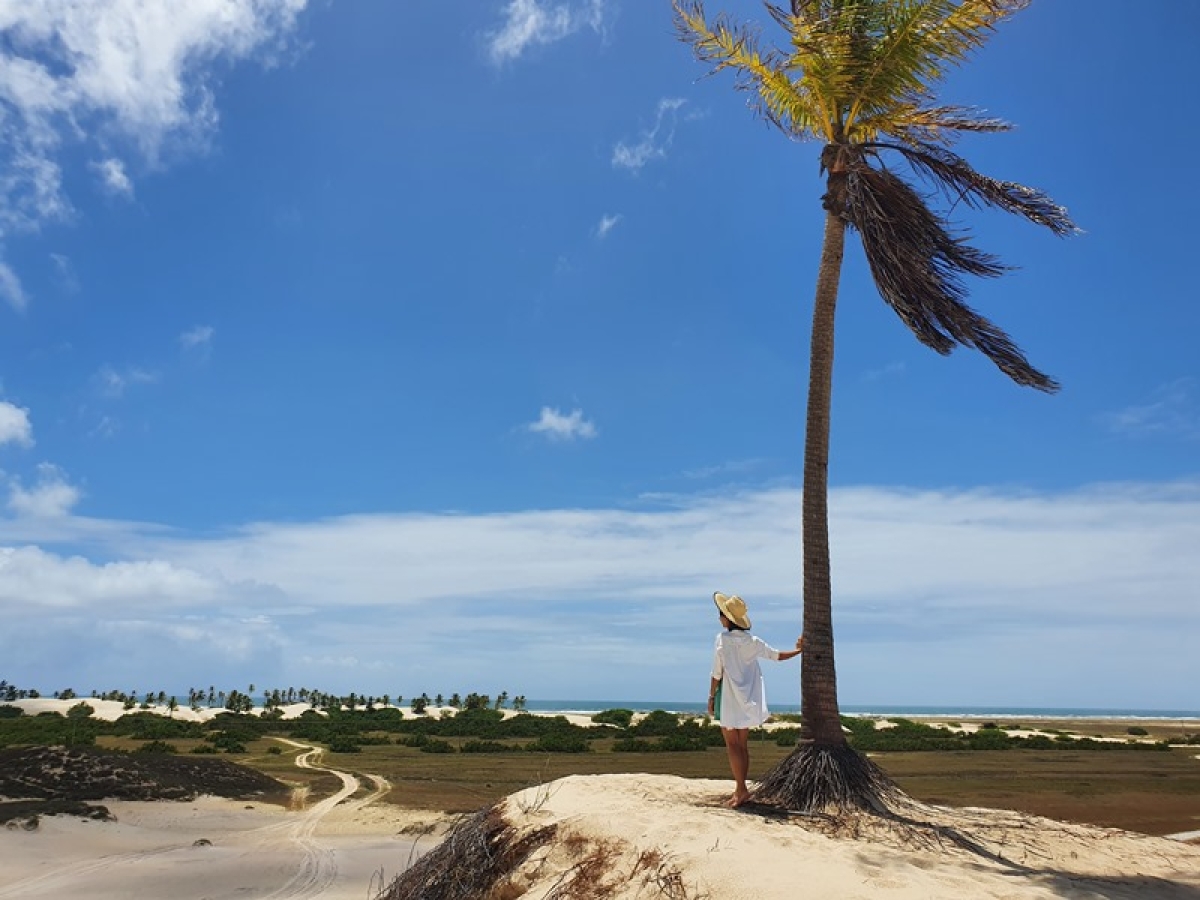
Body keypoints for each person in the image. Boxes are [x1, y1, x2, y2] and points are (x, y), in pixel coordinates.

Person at [707, 591, 803, 808]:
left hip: (728, 698)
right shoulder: (753, 641)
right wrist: (799, 651)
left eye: (720, 614)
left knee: (732, 745)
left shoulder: (722, 640)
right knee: (742, 745)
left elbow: (716, 673)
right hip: (748, 698)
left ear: (728, 619)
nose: (719, 617)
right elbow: (777, 656)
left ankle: (741, 790)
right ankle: (741, 789)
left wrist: (711, 697)